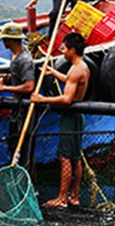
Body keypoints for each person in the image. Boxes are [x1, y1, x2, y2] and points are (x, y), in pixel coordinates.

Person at [30, 32, 90, 208]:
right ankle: (74, 196)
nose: (62, 52)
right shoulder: (82, 66)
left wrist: (42, 99)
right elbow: (70, 81)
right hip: (79, 116)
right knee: (76, 158)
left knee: (65, 157)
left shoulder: (76, 69)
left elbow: (66, 99)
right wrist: (53, 72)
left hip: (70, 116)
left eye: (64, 48)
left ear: (72, 50)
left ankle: (62, 198)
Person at [0, 22, 36, 177]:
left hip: (25, 110)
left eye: (4, 39)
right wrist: (9, 78)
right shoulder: (15, 55)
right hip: (16, 109)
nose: (3, 42)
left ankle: (29, 185)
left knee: (25, 151)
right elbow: (19, 79)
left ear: (9, 39)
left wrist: (4, 89)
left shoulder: (25, 59)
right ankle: (18, 178)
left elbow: (29, 86)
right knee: (14, 144)